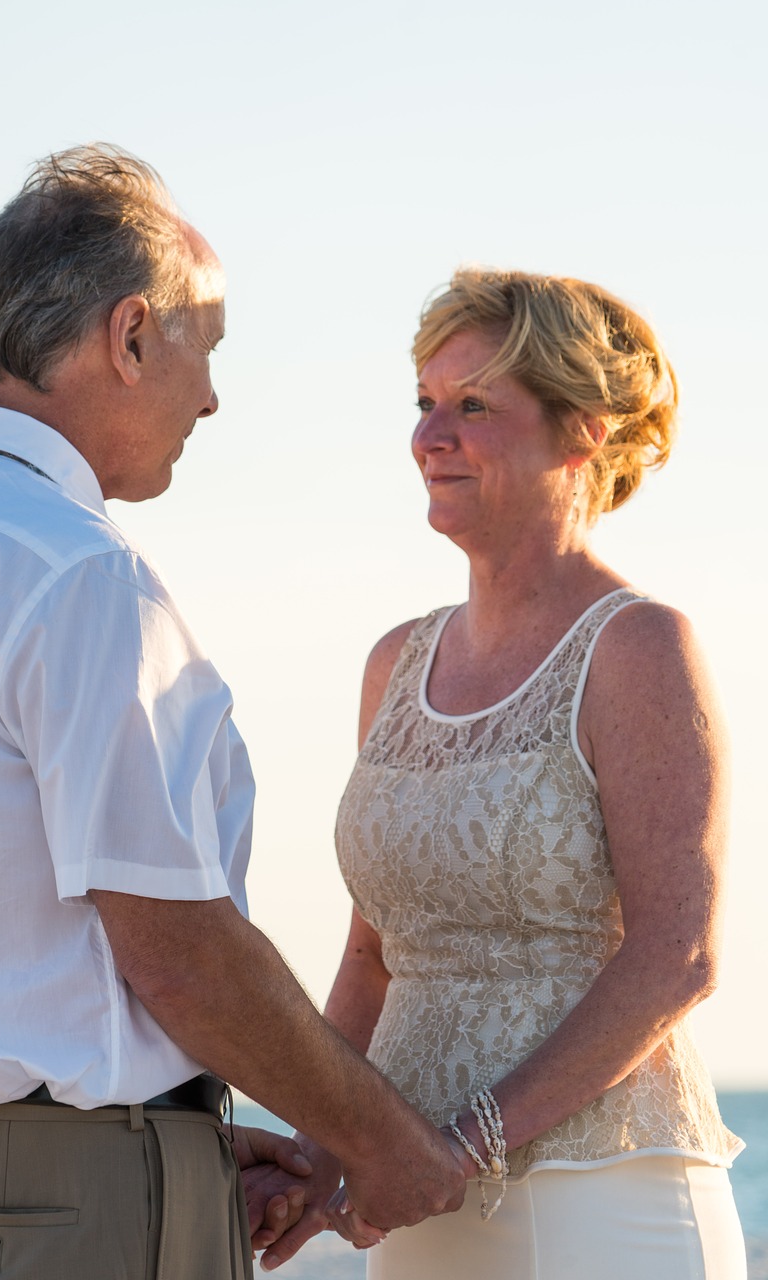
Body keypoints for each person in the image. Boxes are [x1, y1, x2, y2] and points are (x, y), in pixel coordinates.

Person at [0, 144, 468, 1280]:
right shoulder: (75, 573)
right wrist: (379, 1137)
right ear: (131, 333)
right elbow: (178, 948)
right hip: (63, 1201)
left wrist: (178, 1140)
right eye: (207, 343)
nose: (209, 392)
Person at [263, 269, 747, 1278]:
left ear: (583, 431)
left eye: (472, 405)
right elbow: (370, 956)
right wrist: (312, 1152)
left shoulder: (636, 648)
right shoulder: (393, 663)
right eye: (423, 404)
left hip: (598, 1199)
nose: (427, 437)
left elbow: (675, 954)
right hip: (411, 1204)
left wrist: (460, 1145)